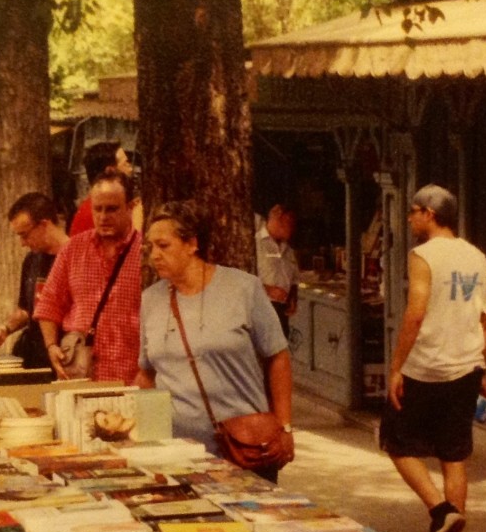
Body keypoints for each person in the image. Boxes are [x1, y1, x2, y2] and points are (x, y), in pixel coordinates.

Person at [136, 200, 294, 476]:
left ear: (191, 244)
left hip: (244, 448)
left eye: (163, 246)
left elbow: (278, 356)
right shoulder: (151, 300)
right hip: (177, 453)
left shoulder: (243, 288)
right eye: (150, 247)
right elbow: (146, 375)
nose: (154, 256)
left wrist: (285, 426)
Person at [379, 184, 486, 532]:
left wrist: (397, 367)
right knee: (454, 454)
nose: (410, 218)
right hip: (467, 363)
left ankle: (440, 510)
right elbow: (484, 318)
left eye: (413, 211)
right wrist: (483, 368)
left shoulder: (423, 254)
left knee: (394, 440)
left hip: (428, 365)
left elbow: (415, 312)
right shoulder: (477, 256)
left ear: (429, 213)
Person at [34, 169, 142, 384]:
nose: (103, 217)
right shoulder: (73, 248)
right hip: (79, 374)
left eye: (112, 209)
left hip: (130, 375)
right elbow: (49, 303)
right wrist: (51, 346)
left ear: (130, 207)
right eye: (98, 209)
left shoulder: (145, 252)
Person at [0, 192, 68, 370]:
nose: (22, 243)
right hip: (34, 357)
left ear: (44, 225)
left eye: (25, 235)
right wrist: (4, 330)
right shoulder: (31, 260)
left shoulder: (76, 257)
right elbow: (27, 310)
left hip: (64, 356)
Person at [69, 141, 143, 235]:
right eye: (125, 164)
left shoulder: (88, 208)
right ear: (110, 171)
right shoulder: (92, 215)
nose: (131, 169)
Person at [255, 202, 299, 338]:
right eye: (289, 222)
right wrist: (268, 290)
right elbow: (244, 277)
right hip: (261, 308)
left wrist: (293, 296)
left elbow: (294, 278)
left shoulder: (288, 249)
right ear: (277, 219)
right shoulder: (257, 244)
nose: (292, 227)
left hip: (281, 311)